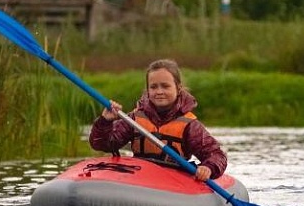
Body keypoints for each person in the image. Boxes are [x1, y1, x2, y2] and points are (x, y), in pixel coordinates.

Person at [88, 58, 227, 181]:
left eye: (165, 86)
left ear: (178, 88)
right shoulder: (134, 119)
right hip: (141, 179)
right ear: (147, 90)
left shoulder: (190, 125)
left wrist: (208, 168)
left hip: (174, 182)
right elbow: (101, 145)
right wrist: (105, 121)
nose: (159, 91)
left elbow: (217, 155)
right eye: (153, 87)